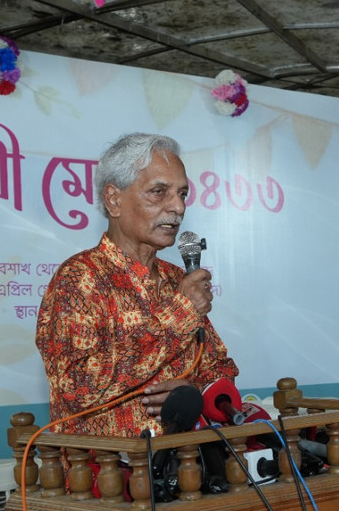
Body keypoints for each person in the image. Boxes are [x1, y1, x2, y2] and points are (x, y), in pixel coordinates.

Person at [36, 133, 239, 437]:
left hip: (189, 467)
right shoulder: (80, 278)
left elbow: (221, 374)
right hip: (108, 474)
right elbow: (77, 388)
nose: (178, 207)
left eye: (182, 194)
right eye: (159, 192)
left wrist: (191, 393)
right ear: (114, 199)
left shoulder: (176, 280)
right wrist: (179, 314)